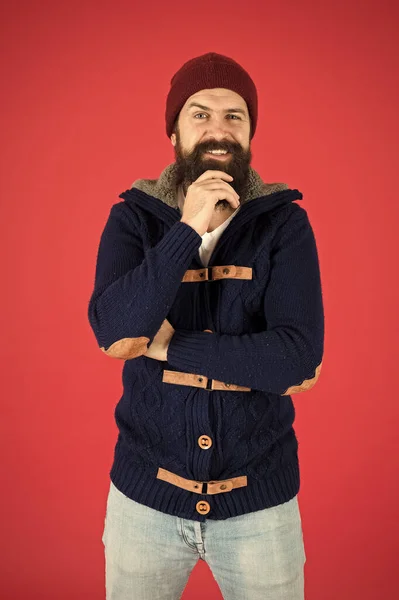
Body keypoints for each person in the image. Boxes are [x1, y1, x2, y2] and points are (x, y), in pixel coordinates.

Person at [88, 51, 325, 600]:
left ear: (250, 130)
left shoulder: (285, 222)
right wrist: (187, 227)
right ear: (173, 130)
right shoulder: (133, 217)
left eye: (234, 116)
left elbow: (295, 357)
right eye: (200, 115)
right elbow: (113, 330)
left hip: (259, 507)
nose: (218, 131)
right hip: (144, 504)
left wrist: (170, 348)